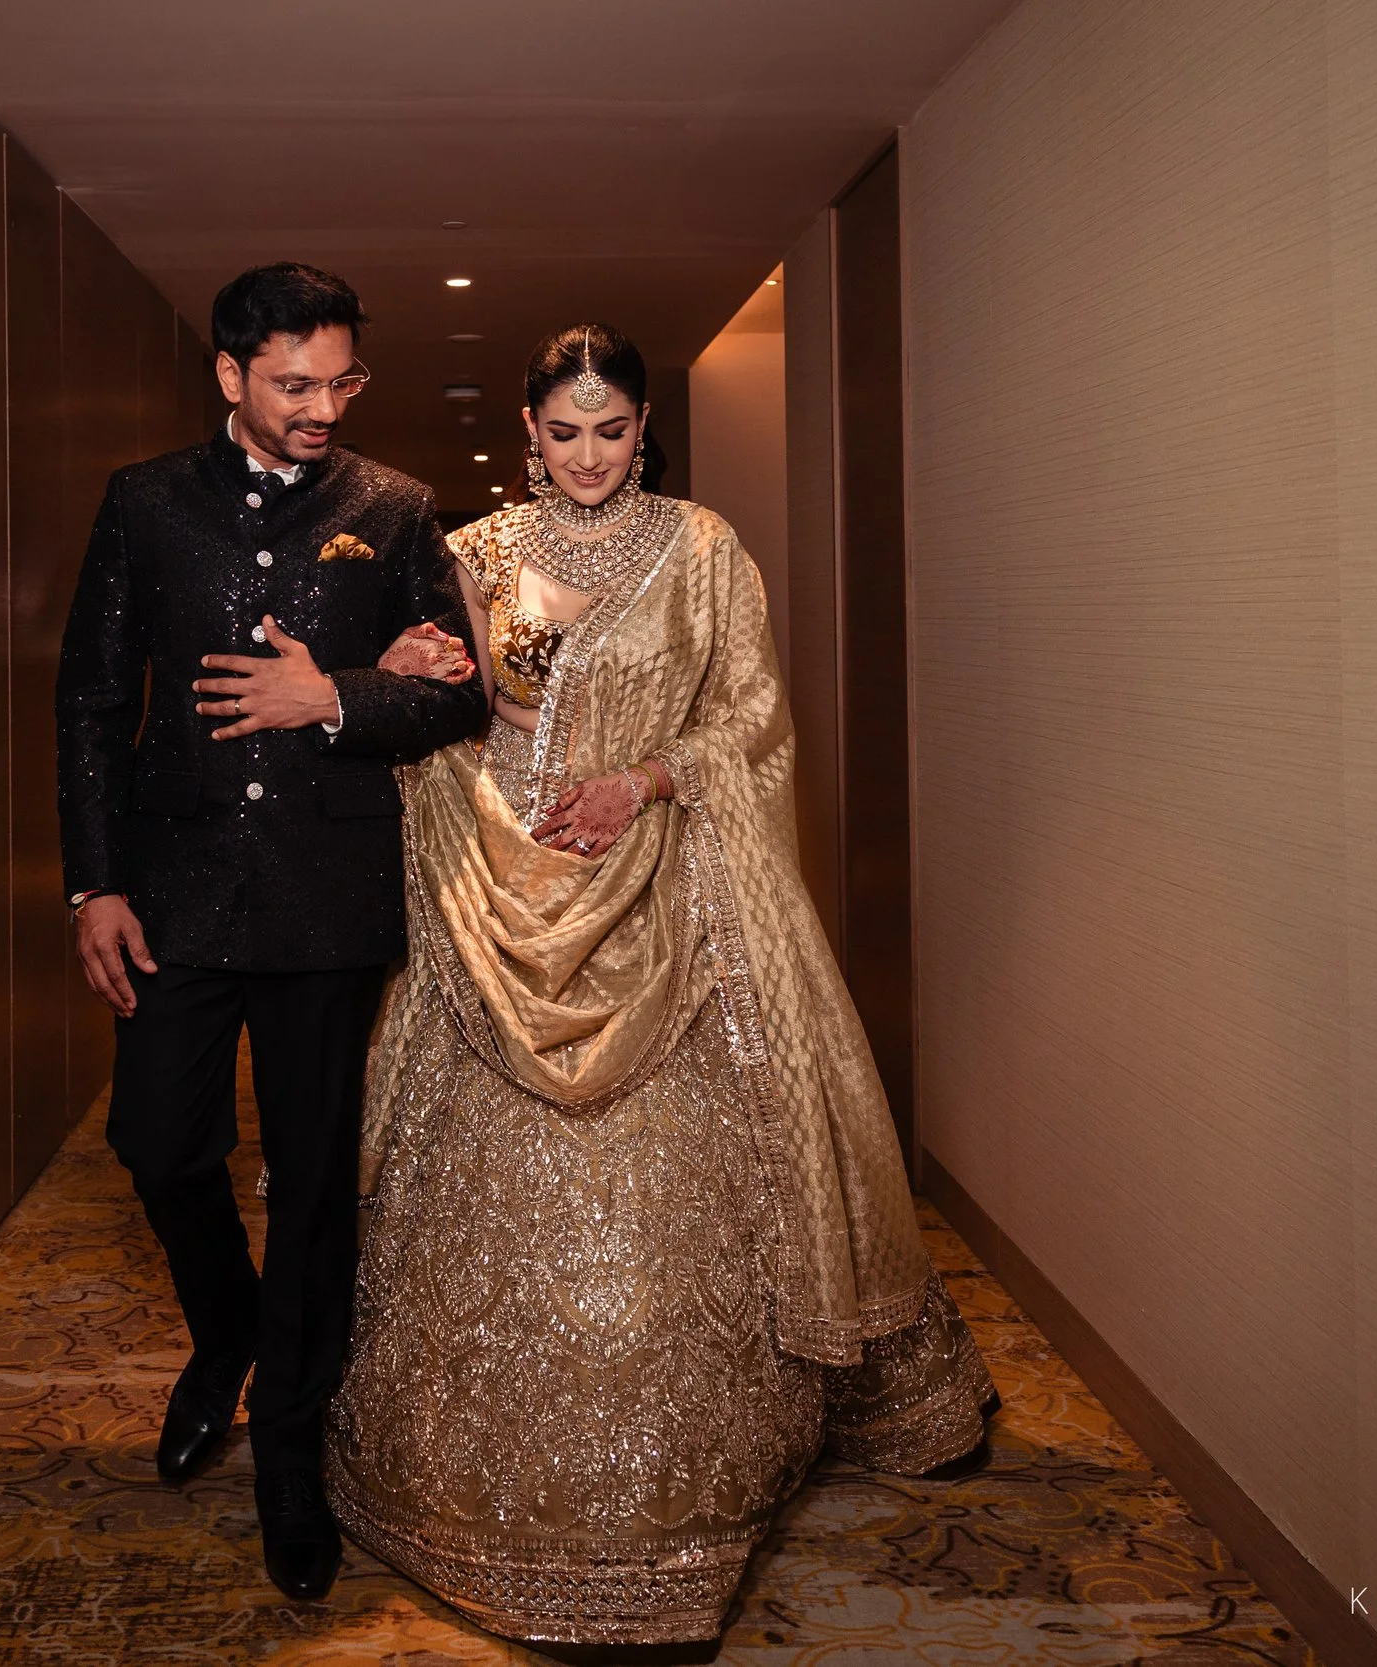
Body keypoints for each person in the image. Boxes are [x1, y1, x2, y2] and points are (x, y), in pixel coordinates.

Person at [329, 324, 998, 1652]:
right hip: (494, 887)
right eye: (563, 432)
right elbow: (430, 707)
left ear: (645, 430)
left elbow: (750, 718)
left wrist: (638, 784)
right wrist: (405, 679)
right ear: (528, 432)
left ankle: (691, 1499)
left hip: (658, 876)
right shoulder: (470, 554)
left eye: (612, 429)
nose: (587, 455)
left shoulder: (701, 550)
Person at [55, 262, 486, 1603]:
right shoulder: (145, 503)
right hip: (175, 892)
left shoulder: (397, 510)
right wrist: (95, 885)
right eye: (294, 384)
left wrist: (338, 695)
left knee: (312, 1181)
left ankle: (293, 1452)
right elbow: (87, 702)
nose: (321, 408)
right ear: (232, 375)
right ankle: (229, 1330)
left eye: (340, 383)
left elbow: (462, 698)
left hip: (326, 896)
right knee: (156, 1140)